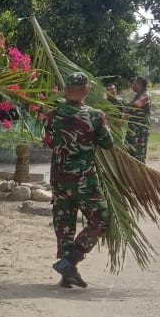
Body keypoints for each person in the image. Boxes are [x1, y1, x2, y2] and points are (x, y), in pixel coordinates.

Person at [44, 72, 115, 289]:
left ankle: (68, 273)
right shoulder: (96, 116)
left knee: (64, 225)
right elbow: (107, 143)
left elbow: (48, 142)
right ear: (87, 90)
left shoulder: (52, 116)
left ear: (66, 90)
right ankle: (70, 262)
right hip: (85, 181)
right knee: (101, 220)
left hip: (59, 179)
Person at [123, 76, 152, 162]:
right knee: (130, 153)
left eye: (134, 83)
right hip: (133, 130)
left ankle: (140, 173)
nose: (132, 85)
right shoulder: (137, 95)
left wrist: (124, 106)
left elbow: (134, 106)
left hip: (140, 132)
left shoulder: (145, 96)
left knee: (138, 156)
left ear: (139, 85)